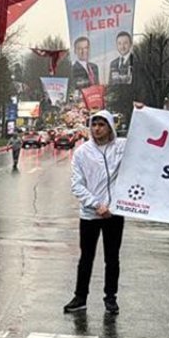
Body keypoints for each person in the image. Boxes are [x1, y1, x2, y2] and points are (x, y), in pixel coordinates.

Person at [64, 110, 126, 315]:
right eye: (94, 124)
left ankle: (111, 298)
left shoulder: (121, 148)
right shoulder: (82, 152)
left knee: (112, 258)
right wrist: (96, 204)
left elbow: (145, 147)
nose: (97, 128)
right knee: (86, 257)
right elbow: (77, 185)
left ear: (110, 127)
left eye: (101, 124)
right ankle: (80, 297)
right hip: (90, 214)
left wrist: (142, 112)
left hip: (114, 214)